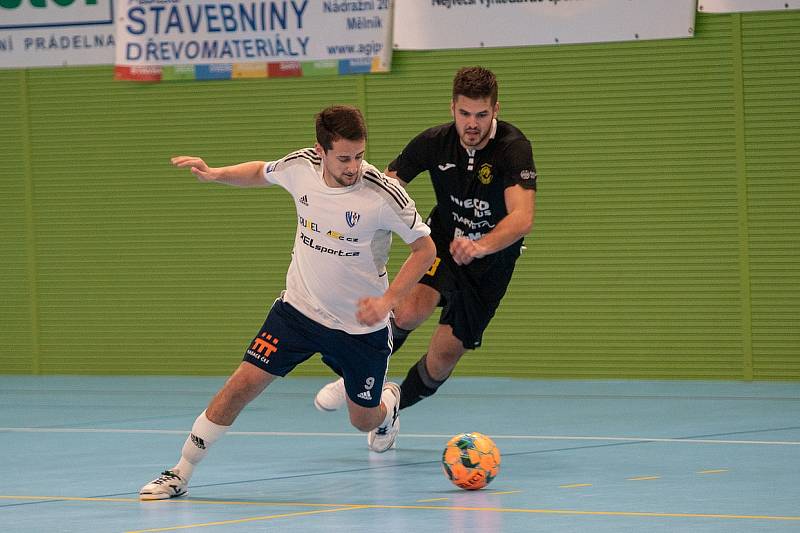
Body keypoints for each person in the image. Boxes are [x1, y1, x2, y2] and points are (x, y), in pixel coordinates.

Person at [139, 105, 435, 500]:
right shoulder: (300, 167)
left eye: (360, 155)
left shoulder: (382, 195)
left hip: (359, 329)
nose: (354, 166)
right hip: (297, 312)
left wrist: (388, 301)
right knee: (240, 386)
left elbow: (425, 249)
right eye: (344, 157)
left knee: (363, 421)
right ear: (321, 150)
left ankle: (389, 403)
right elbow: (261, 171)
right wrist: (215, 173)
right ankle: (181, 471)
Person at [315, 66, 537, 414]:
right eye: (464, 113)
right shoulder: (435, 143)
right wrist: (345, 221)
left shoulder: (513, 148)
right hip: (444, 244)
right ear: (452, 109)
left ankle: (390, 409)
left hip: (491, 263)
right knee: (406, 311)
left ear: (496, 110)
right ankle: (359, 375)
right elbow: (387, 184)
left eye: (481, 114)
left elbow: (522, 218)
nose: (472, 124)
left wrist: (479, 246)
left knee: (443, 357)